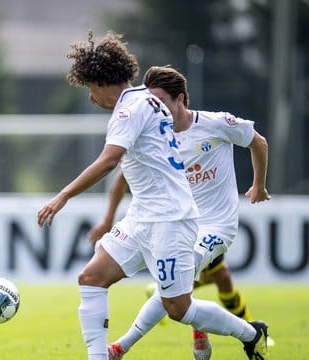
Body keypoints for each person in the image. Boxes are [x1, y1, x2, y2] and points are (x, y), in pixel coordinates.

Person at [36, 31, 269, 360]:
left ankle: (250, 332)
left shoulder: (129, 110)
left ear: (104, 82)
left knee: (178, 308)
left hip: (171, 220)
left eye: (91, 88)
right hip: (143, 216)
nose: (91, 98)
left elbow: (110, 160)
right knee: (91, 277)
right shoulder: (146, 101)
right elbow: (130, 167)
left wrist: (62, 196)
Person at [88, 65, 271, 360]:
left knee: (173, 294)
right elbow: (121, 177)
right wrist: (109, 219)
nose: (155, 108)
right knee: (175, 293)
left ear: (181, 99)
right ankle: (217, 331)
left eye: (161, 102)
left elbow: (258, 141)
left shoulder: (216, 124)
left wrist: (258, 185)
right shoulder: (155, 135)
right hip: (175, 222)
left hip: (215, 226)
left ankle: (120, 347)